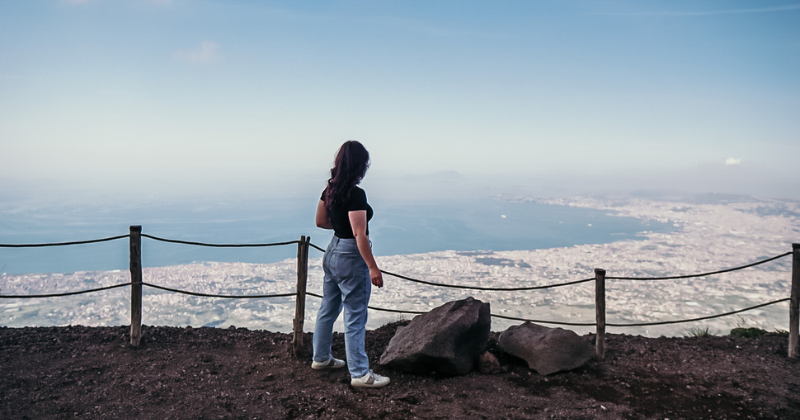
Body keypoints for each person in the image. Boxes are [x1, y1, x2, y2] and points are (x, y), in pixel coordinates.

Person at [311, 140, 390, 388]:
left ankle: (321, 358)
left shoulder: (330, 190)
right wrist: (372, 267)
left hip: (333, 250)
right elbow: (360, 235)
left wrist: (342, 225)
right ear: (359, 165)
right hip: (350, 255)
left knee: (328, 309)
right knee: (355, 316)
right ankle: (360, 374)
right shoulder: (356, 194)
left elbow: (321, 222)